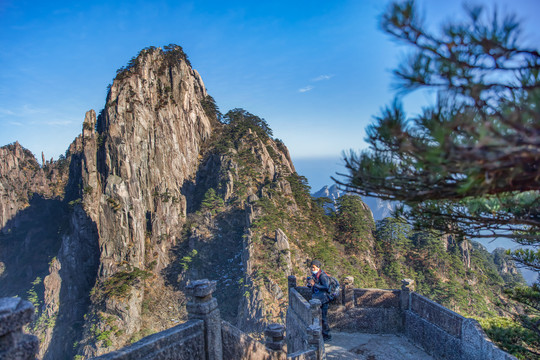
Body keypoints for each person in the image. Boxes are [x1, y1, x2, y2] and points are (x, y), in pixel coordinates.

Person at [307, 259, 331, 341]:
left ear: (317, 267)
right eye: (311, 267)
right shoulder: (315, 275)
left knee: (323, 318)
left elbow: (326, 287)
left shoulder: (322, 276)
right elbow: (314, 286)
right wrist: (310, 284)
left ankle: (326, 335)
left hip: (324, 300)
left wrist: (315, 284)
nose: (312, 269)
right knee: (317, 318)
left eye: (313, 267)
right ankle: (320, 334)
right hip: (318, 298)